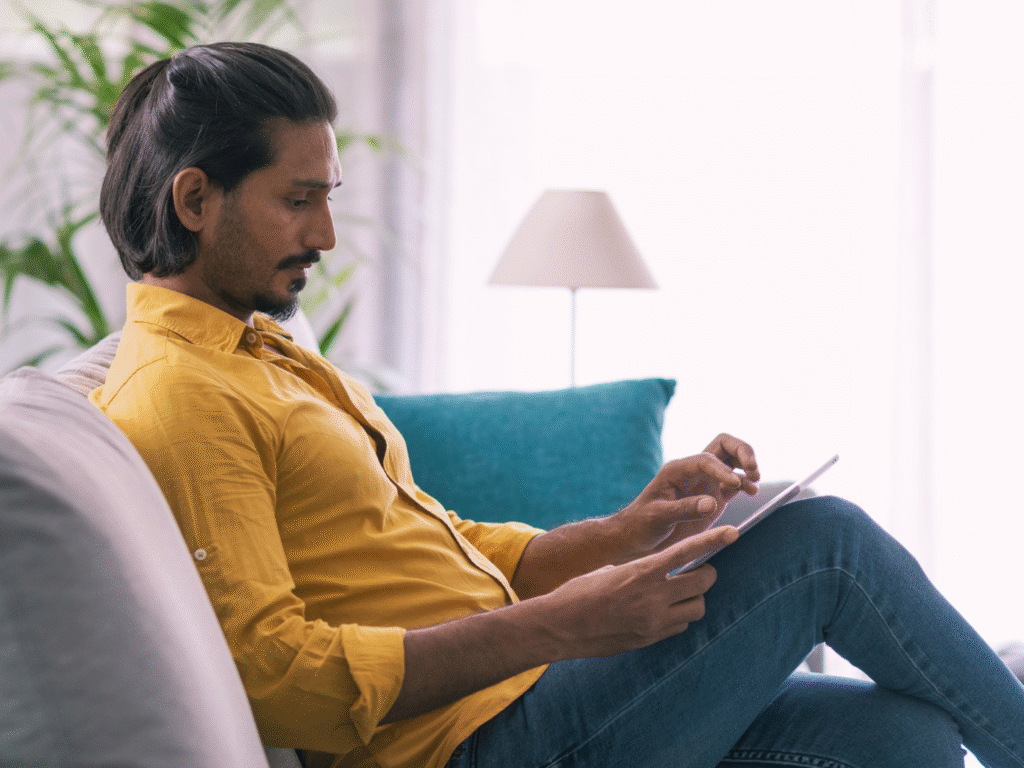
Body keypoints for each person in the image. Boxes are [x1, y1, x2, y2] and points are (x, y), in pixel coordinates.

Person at [90, 42, 1024, 768]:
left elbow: (446, 545)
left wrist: (630, 528)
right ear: (195, 199)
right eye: (299, 201)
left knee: (902, 733)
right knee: (825, 543)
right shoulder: (183, 394)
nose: (327, 233)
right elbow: (280, 678)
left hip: (535, 694)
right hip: (475, 744)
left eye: (327, 198)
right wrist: (566, 623)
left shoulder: (269, 354)